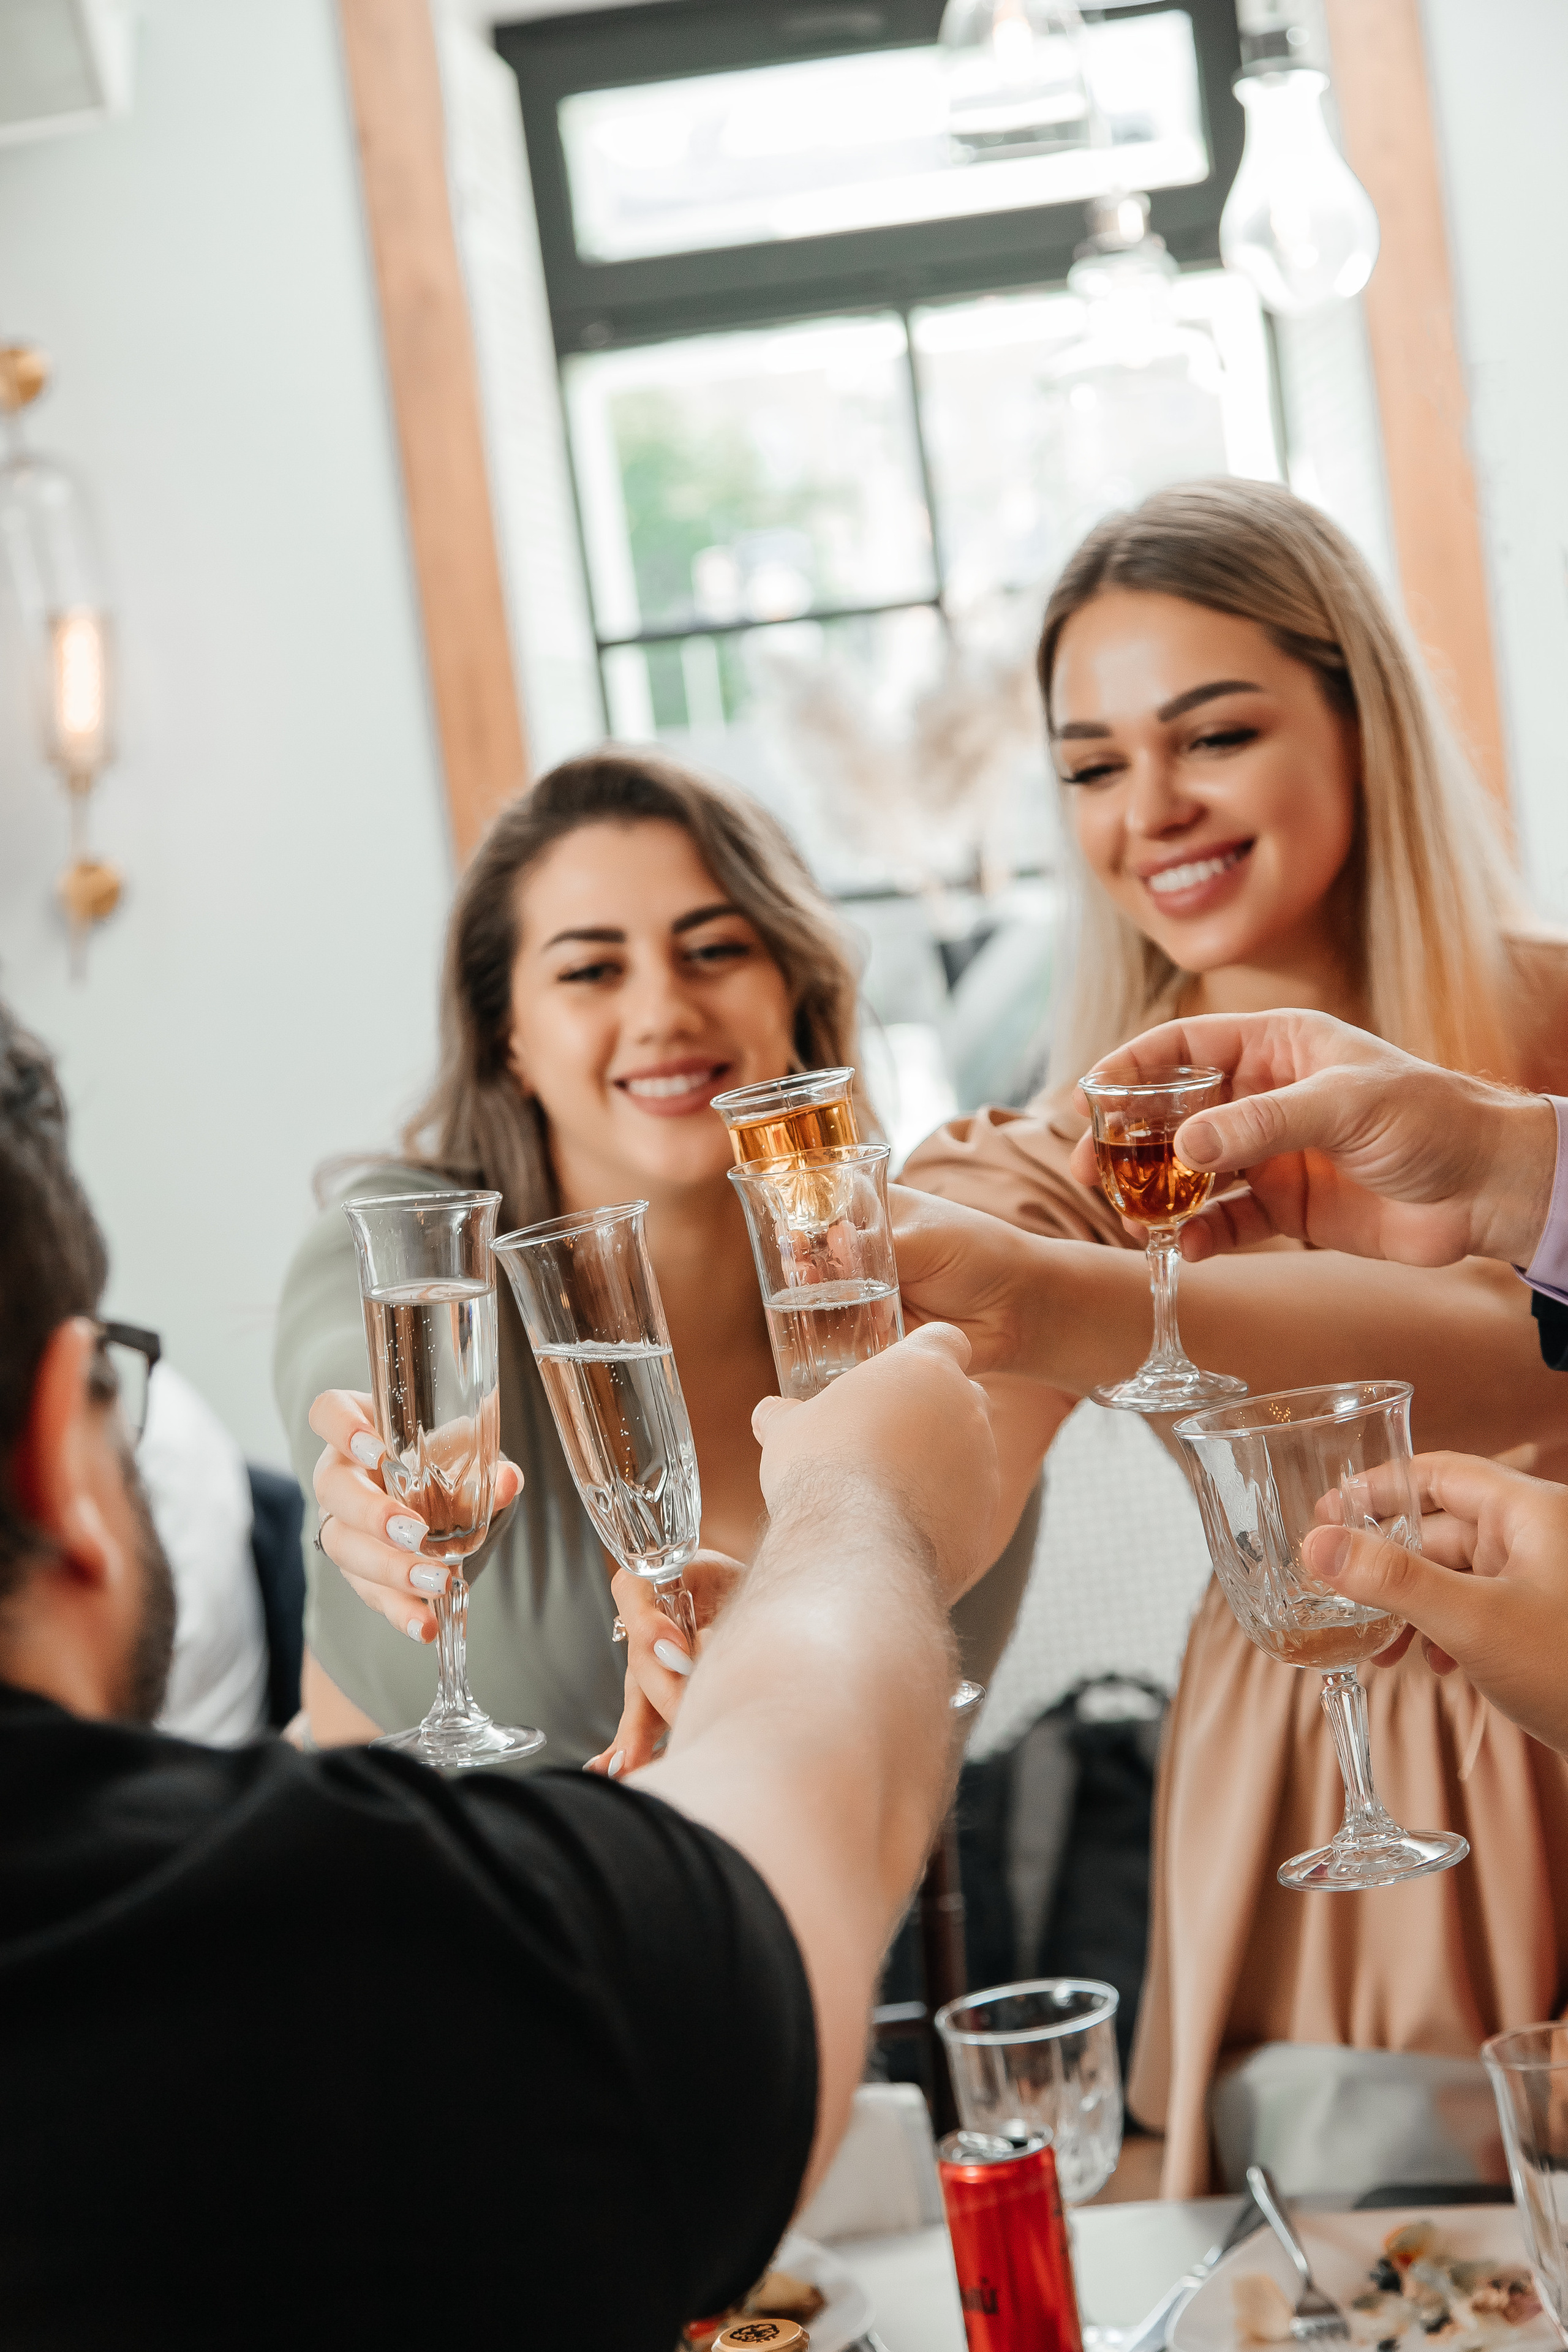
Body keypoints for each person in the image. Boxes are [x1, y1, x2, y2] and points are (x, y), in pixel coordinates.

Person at [0, 1000, 999, 2346]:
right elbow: (760, 1916)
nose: (663, 1007)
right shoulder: (296, 1946)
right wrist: (862, 1503)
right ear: (63, 1444)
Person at [897, 480, 1568, 2196]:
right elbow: (936, 1460)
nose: (1155, 811)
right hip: (1297, 1770)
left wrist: (1103, 1308)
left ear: (1360, 717)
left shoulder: (1551, 1038)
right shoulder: (1078, 1148)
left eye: (1212, 735)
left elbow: (1509, 1347)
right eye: (1095, 766)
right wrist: (749, 1570)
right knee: (1359, 2259)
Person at [276, 750, 1035, 1760]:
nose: (664, 1012)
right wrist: (374, 1481)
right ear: (509, 1033)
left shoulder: (932, 1287)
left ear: (794, 986)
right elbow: (355, 1369)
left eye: (714, 950)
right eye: (592, 970)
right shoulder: (410, 1247)